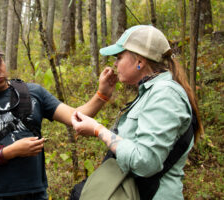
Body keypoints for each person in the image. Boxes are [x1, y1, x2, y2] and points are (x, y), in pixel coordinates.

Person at [0, 39, 118, 199]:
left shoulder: (33, 92)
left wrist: (102, 94)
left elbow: (77, 117)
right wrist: (10, 152)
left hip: (35, 194)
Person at [71, 25, 204, 199]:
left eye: (119, 57)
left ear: (140, 62)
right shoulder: (151, 92)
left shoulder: (165, 95)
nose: (115, 64)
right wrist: (102, 94)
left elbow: (145, 162)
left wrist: (99, 130)